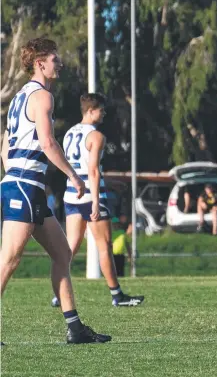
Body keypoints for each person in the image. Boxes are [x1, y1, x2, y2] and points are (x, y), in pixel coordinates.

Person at [0, 37, 110, 344]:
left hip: (26, 185)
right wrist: (74, 177)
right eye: (54, 58)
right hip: (24, 186)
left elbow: (8, 144)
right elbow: (47, 143)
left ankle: (75, 329)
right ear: (40, 63)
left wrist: (15, 171)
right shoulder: (42, 97)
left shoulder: (22, 96)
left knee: (62, 253)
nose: (59, 63)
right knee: (9, 259)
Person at [53, 92, 144, 308]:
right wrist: (95, 201)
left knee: (70, 247)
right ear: (91, 111)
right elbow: (93, 171)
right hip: (91, 192)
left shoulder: (69, 133)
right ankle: (117, 295)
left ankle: (59, 293)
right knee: (104, 245)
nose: (104, 114)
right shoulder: (96, 136)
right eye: (101, 110)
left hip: (71, 192)